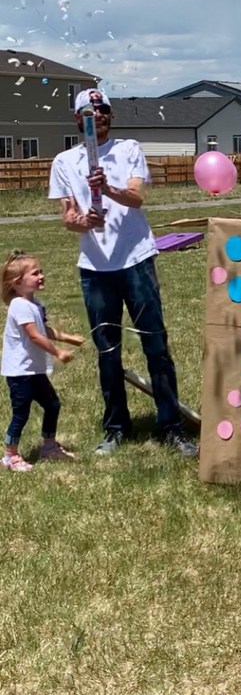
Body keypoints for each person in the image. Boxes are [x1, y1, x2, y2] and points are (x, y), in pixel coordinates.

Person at [48, 87, 197, 457]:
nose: (98, 115)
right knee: (108, 350)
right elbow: (68, 217)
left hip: (136, 260)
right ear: (78, 118)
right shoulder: (64, 162)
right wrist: (84, 220)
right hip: (96, 269)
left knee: (155, 345)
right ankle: (116, 428)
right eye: (90, 111)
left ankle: (171, 426)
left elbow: (136, 196)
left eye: (104, 110)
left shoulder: (128, 149)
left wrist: (108, 188)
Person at [2, 251, 85, 471]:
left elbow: (44, 330)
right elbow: (34, 336)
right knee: (21, 414)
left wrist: (68, 338)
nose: (41, 276)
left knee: (52, 405)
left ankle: (49, 447)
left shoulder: (36, 304)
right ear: (17, 283)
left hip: (34, 370)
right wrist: (58, 353)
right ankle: (10, 456)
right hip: (20, 372)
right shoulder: (19, 305)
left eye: (41, 272)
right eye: (35, 273)